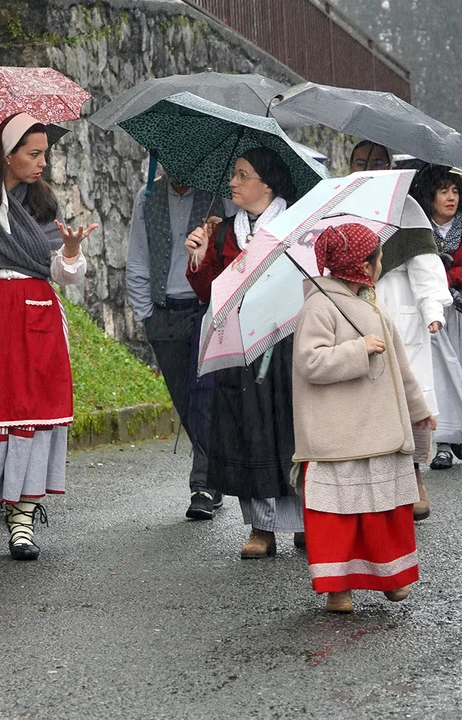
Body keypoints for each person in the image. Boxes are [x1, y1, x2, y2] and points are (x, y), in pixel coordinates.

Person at [0, 113, 98, 561]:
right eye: (34, 153)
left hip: (36, 316)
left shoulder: (44, 204)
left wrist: (70, 251)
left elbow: (62, 273)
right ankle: (7, 502)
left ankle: (23, 518)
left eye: (44, 153)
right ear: (7, 156)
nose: (43, 162)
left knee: (36, 410)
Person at [292, 223, 436, 613]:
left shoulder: (372, 303)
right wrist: (358, 350)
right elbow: (310, 362)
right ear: (363, 265)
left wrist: (419, 409)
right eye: (378, 257)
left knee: (382, 509)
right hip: (337, 434)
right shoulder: (319, 306)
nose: (381, 263)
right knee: (339, 513)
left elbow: (399, 365)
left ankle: (391, 576)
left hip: (379, 428)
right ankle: (339, 589)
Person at [185, 147, 303, 558]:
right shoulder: (222, 232)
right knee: (247, 431)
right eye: (234, 174)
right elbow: (209, 293)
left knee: (288, 431)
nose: (232, 182)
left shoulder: (293, 226)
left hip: (283, 343)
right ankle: (261, 527)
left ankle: (305, 520)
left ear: (266, 184)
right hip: (239, 345)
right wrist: (199, 258)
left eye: (242, 175)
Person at [345, 142, 451, 520]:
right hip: (355, 313)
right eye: (361, 162)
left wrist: (432, 309)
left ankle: (415, 476)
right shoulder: (342, 204)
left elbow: (426, 267)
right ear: (350, 166)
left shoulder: (407, 208)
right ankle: (370, 485)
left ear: (389, 166)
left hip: (401, 315)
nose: (368, 168)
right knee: (366, 402)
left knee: (410, 398)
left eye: (377, 162)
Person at [126, 170, 230, 520]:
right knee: (185, 402)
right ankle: (212, 474)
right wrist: (146, 314)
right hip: (164, 312)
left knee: (205, 399)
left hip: (207, 307)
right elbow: (138, 257)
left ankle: (203, 484)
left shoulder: (218, 195)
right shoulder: (147, 197)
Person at [410, 165, 462, 470]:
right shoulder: (418, 228)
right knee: (439, 373)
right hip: (433, 309)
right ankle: (444, 443)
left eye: (455, 191)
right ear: (430, 195)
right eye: (443, 191)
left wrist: (450, 276)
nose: (451, 197)